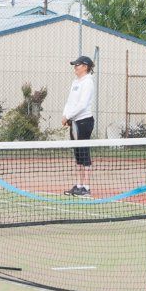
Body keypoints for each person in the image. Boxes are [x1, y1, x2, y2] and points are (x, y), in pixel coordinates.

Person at [61, 55, 96, 196]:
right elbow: (70, 101)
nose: (75, 67)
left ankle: (86, 188)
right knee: (78, 154)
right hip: (74, 122)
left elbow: (82, 104)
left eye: (77, 65)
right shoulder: (75, 82)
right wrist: (65, 115)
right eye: (74, 65)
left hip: (84, 121)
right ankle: (79, 185)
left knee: (84, 152)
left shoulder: (88, 82)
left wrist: (68, 116)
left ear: (85, 67)